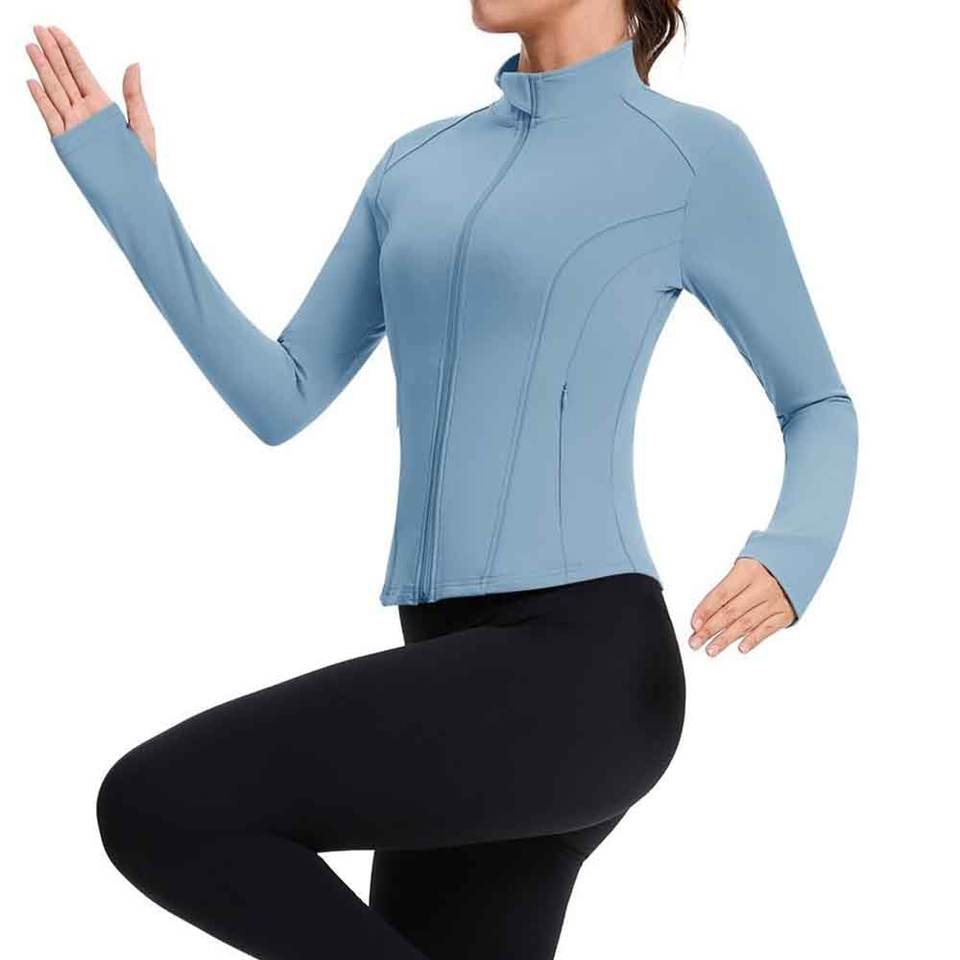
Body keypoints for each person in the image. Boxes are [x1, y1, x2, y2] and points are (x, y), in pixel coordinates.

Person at [24, 1, 857, 958]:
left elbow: (818, 402)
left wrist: (792, 553)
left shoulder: (691, 156)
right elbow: (281, 396)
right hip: (452, 664)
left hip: (580, 670)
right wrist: (133, 199)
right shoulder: (415, 164)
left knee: (163, 806)